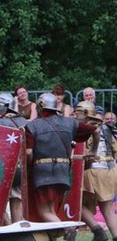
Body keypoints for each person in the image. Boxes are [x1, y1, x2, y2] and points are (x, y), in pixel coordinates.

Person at [25, 93, 97, 223]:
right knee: (52, 209)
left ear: (41, 106)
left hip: (43, 171)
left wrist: (28, 166)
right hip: (63, 170)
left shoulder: (32, 126)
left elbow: (29, 152)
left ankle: (67, 229)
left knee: (43, 211)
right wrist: (93, 151)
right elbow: (95, 130)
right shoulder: (70, 122)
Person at [78, 105, 117, 241]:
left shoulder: (83, 130)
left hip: (93, 170)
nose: (76, 114)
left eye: (78, 111)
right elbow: (115, 150)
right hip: (110, 170)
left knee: (78, 205)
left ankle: (97, 230)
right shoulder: (107, 128)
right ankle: (116, 237)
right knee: (107, 206)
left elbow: (84, 152)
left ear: (86, 113)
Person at [0, 93, 27, 223]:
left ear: (5, 106)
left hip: (4, 169)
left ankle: (8, 229)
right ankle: (16, 232)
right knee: (16, 202)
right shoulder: (25, 122)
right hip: (21, 168)